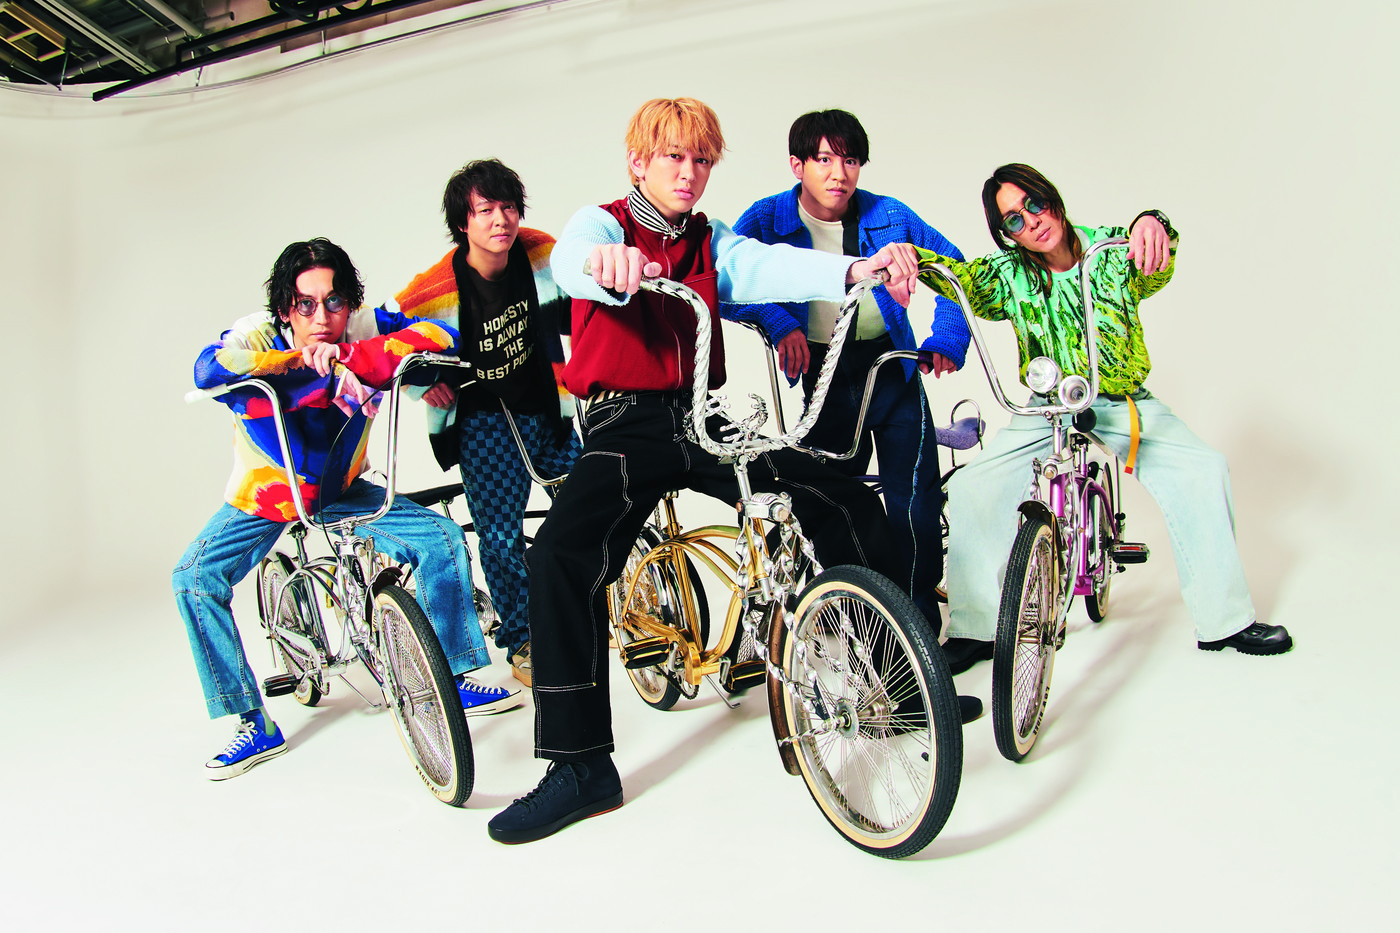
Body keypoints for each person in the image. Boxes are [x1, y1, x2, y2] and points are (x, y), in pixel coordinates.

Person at [485, 97, 926, 845]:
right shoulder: (603, 225)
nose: (688, 172)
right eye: (673, 157)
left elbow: (762, 264)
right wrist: (604, 265)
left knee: (837, 493)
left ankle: (905, 686)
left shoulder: (708, 237)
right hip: (624, 420)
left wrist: (855, 266)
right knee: (558, 555)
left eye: (701, 160)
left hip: (700, 413)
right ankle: (580, 766)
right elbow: (571, 260)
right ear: (639, 163)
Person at [909, 163, 1292, 660]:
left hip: (1118, 402)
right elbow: (959, 278)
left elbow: (1156, 263)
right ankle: (976, 630)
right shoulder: (1008, 275)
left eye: (1034, 204)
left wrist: (1154, 222)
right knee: (973, 486)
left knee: (1202, 470)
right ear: (1007, 235)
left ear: (1052, 198)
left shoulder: (1111, 251)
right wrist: (908, 258)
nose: (1031, 221)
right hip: (1048, 407)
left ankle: (1225, 621)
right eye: (1014, 220)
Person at [173, 238, 517, 782]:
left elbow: (438, 337)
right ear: (285, 308)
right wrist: (301, 366)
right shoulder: (257, 334)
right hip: (267, 495)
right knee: (192, 579)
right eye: (305, 304)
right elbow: (208, 369)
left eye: (334, 301)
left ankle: (452, 677)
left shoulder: (360, 329)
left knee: (441, 539)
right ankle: (251, 721)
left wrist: (351, 359)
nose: (322, 317)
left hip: (343, 489)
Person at [719, 108, 970, 630]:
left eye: (851, 161)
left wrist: (946, 338)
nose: (839, 174)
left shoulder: (890, 214)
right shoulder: (766, 220)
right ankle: (850, 617)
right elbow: (725, 281)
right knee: (830, 499)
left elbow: (955, 270)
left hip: (893, 369)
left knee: (915, 502)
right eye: (824, 160)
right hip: (824, 377)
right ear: (797, 165)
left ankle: (919, 625)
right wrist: (779, 323)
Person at [380, 159, 580, 687]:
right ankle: (523, 640)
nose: (500, 220)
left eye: (508, 207)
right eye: (485, 210)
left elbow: (584, 296)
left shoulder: (540, 252)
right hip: (484, 425)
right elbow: (380, 337)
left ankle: (579, 611)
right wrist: (423, 382)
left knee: (586, 507)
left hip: (549, 409)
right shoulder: (435, 287)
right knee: (499, 536)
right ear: (462, 223)